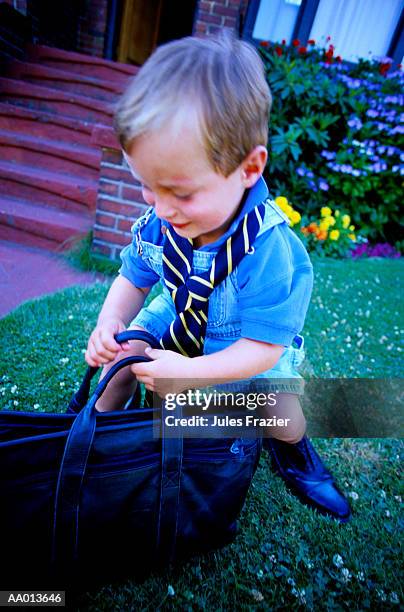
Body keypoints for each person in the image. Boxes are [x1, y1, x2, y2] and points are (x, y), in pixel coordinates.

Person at [84, 33, 350, 522]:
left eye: (180, 194)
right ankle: (95, 434)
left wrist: (185, 374)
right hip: (180, 310)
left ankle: (296, 456)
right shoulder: (162, 220)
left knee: (280, 412)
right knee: (122, 357)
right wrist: (109, 325)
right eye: (146, 186)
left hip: (247, 345)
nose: (161, 207)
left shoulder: (267, 248)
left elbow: (263, 348)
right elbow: (133, 279)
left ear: (249, 168)